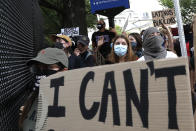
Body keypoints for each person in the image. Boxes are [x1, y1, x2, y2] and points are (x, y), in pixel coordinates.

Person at [19, 48, 69, 130]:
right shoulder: (34, 97)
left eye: (48, 66)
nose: (41, 71)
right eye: (38, 67)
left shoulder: (69, 103)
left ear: (64, 70)